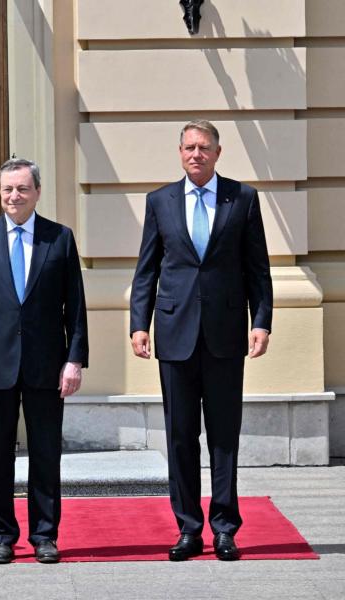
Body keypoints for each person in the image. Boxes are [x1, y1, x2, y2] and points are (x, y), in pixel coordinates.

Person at [130, 120, 272, 562]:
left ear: (217, 152)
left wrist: (262, 321)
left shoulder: (243, 199)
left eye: (204, 147)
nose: (196, 154)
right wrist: (140, 324)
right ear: (180, 153)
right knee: (179, 436)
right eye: (189, 147)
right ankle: (188, 529)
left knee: (224, 436)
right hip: (174, 335)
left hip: (226, 335)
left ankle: (225, 528)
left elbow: (258, 270)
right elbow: (147, 269)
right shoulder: (160, 201)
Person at [0, 158, 88, 564]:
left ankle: (45, 535)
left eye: (22, 189)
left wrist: (74, 359)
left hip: (47, 363)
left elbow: (75, 308)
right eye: (8, 189)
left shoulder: (59, 238)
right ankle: (2, 536)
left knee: (46, 452)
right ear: (0, 192)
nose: (14, 196)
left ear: (37, 192)